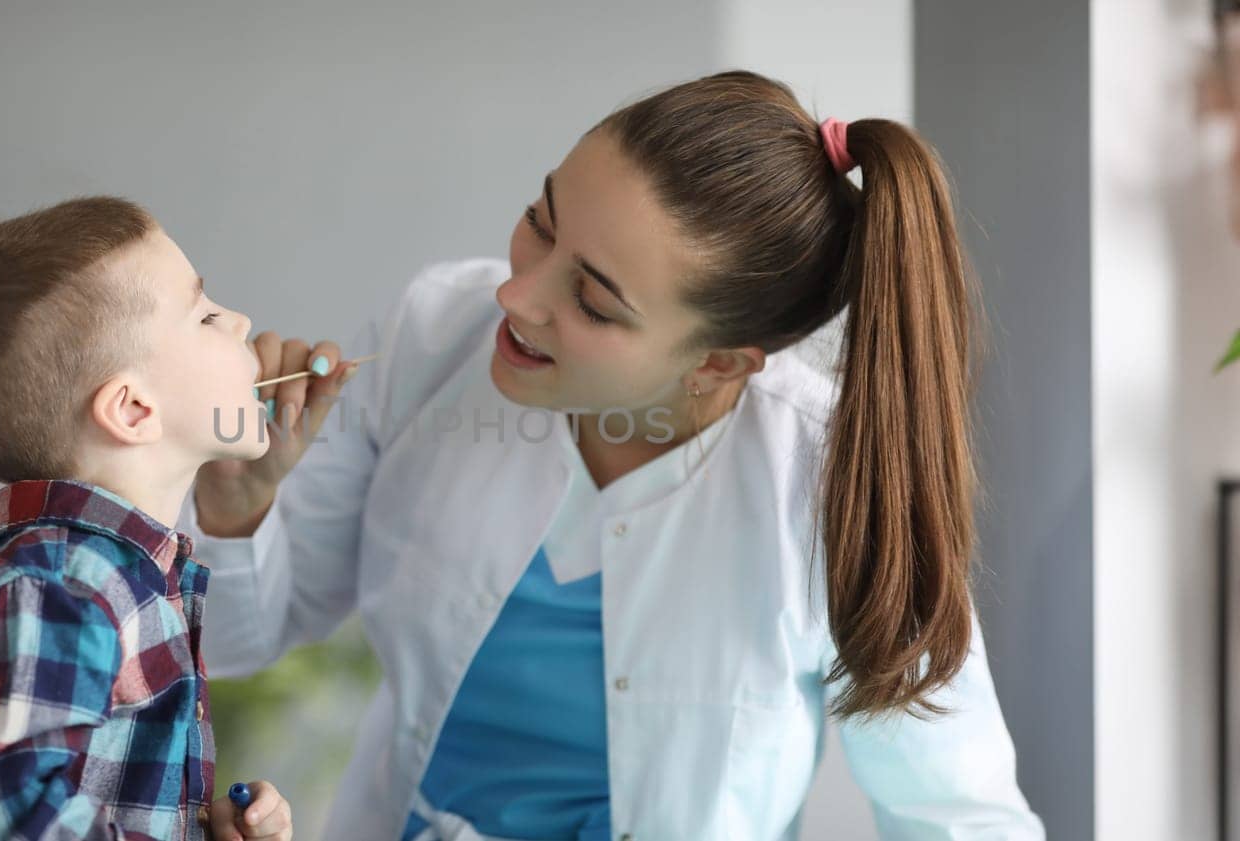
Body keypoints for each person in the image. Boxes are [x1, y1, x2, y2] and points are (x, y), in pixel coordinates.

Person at [182, 71, 1046, 839]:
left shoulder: (834, 486)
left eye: (592, 301)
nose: (514, 294)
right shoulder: (432, 335)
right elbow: (231, 640)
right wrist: (237, 505)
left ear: (719, 363)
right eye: (539, 221)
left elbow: (958, 815)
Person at [0, 197, 313, 841]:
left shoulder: (115, 578)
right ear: (133, 409)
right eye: (205, 315)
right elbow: (2, 814)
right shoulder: (62, 587)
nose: (240, 321)